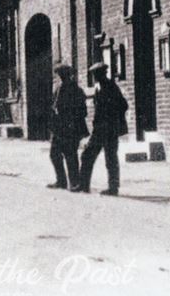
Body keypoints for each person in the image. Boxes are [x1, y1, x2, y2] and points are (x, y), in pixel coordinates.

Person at [76, 62, 128, 196]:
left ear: (101, 74)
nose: (94, 77)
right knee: (90, 155)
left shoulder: (109, 86)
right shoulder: (100, 87)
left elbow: (123, 104)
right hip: (101, 129)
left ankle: (112, 187)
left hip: (107, 128)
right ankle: (84, 185)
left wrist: (112, 118)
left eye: (96, 74)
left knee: (107, 158)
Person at [47, 65, 89, 190]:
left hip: (71, 128)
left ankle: (75, 182)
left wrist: (70, 120)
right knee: (54, 154)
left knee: (71, 155)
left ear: (68, 75)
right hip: (59, 129)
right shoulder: (59, 89)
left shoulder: (76, 90)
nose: (61, 77)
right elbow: (53, 107)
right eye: (60, 75)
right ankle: (61, 181)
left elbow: (83, 111)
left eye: (63, 74)